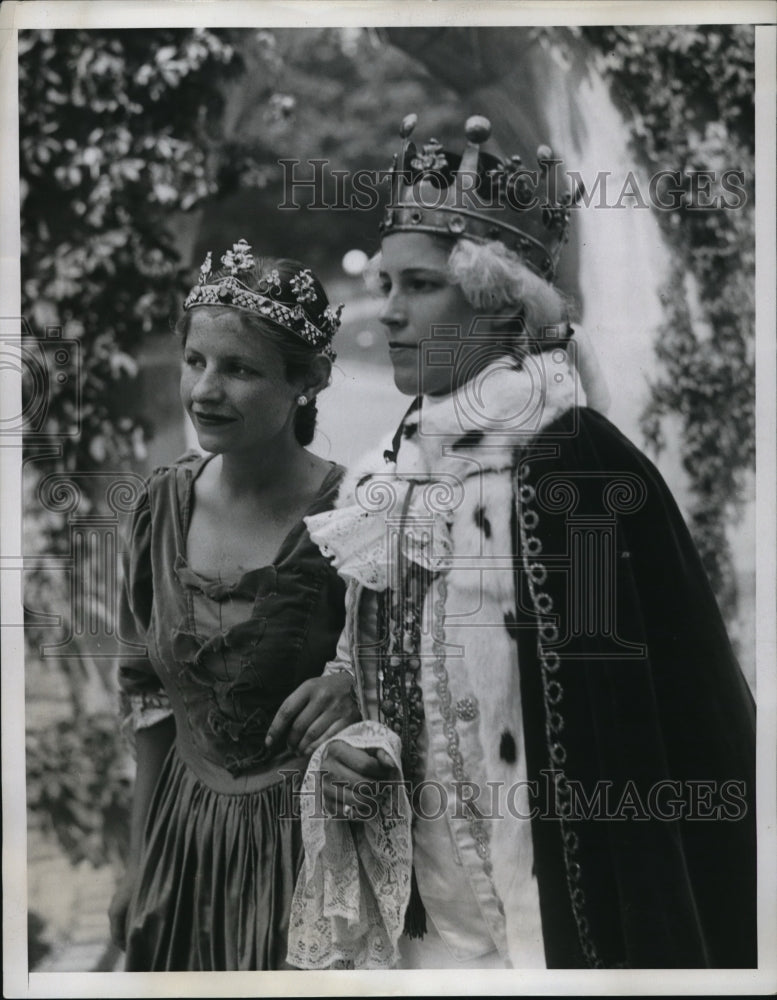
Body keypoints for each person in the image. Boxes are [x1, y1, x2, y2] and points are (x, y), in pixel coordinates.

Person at [297, 116, 757, 970]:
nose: (387, 313)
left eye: (420, 286)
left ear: (499, 301)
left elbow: (618, 717)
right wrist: (346, 723)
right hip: (428, 943)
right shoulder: (380, 482)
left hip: (555, 940)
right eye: (385, 284)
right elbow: (386, 675)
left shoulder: (574, 474)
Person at [109, 242, 360, 970]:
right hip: (182, 841)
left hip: (305, 850)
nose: (204, 391)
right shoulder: (160, 504)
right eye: (196, 361)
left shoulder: (355, 516)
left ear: (307, 381)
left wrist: (355, 689)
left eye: (240, 369)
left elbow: (409, 681)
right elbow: (150, 702)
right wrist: (137, 864)